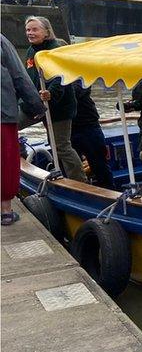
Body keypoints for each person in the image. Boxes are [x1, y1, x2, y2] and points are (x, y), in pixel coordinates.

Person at [23, 16, 85, 181]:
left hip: (59, 106)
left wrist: (51, 94)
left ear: (46, 32)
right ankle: (17, 158)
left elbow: (60, 78)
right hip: (38, 103)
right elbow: (28, 77)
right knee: (13, 123)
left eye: (35, 29)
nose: (30, 33)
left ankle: (80, 181)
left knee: (62, 146)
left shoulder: (55, 50)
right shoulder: (31, 51)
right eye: (28, 30)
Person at [2, 34, 45, 225]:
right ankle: (5, 211)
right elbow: (19, 75)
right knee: (6, 160)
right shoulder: (2, 41)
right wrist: (36, 106)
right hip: (2, 113)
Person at [70, 83, 113, 188]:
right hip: (69, 127)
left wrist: (55, 93)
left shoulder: (81, 76)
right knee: (71, 166)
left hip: (89, 125)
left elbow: (79, 90)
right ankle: (78, 191)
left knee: (99, 165)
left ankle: (110, 193)